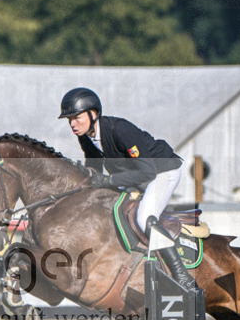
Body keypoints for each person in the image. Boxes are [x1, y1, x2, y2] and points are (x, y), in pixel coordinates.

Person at [59, 87, 197, 290]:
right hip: (135, 176)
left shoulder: (119, 129)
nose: (72, 124)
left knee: (144, 218)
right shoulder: (85, 136)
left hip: (161, 171)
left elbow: (147, 173)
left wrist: (107, 181)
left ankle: (181, 275)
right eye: (69, 119)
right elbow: (94, 168)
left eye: (76, 117)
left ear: (93, 114)